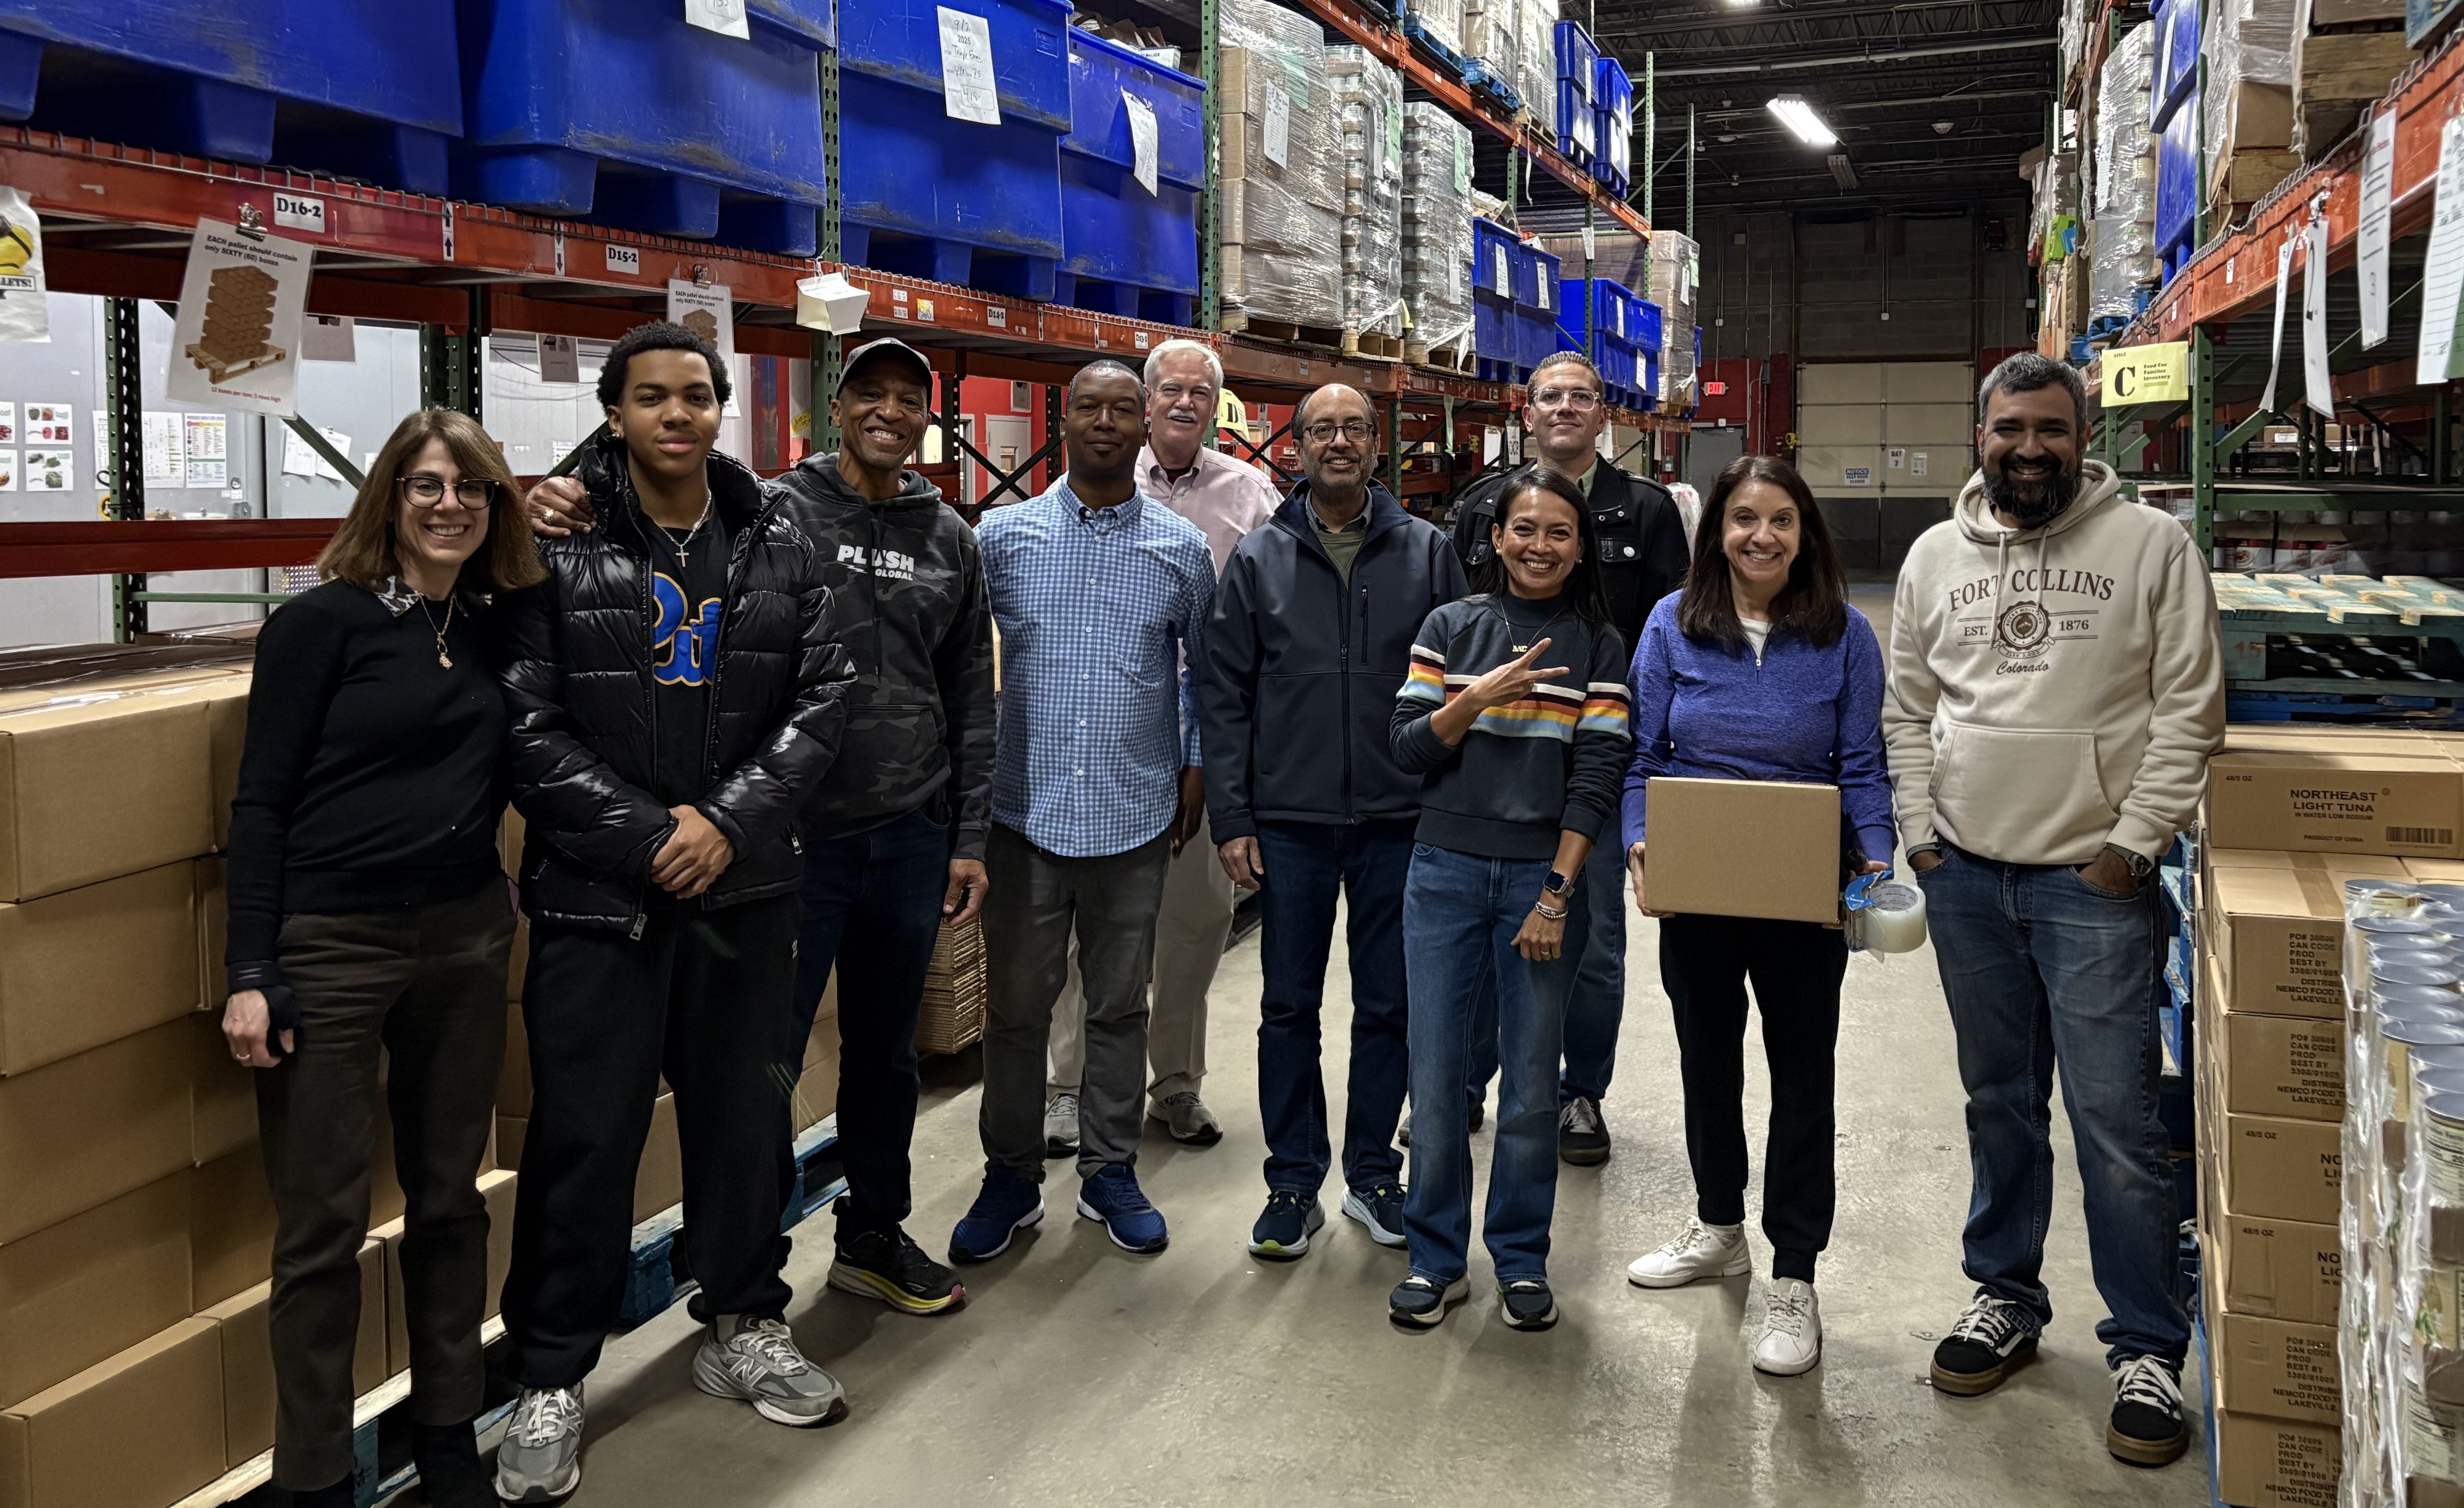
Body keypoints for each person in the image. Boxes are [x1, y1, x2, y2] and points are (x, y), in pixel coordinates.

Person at [527, 336, 994, 1318]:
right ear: (839, 405)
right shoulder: (774, 511)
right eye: (871, 392)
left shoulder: (949, 535)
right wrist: (557, 492)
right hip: (788, 839)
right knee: (762, 1066)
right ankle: (750, 1262)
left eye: (910, 399)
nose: (890, 411)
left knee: (885, 1052)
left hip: (908, 830)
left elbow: (969, 691)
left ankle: (872, 1232)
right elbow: (647, 479)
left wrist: (967, 834)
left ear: (927, 420)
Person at [492, 322, 855, 1502]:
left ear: (720, 408)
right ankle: (552, 1371)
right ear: (614, 413)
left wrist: (727, 824)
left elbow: (825, 696)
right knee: (584, 1136)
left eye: (696, 395)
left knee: (745, 1119)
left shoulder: (779, 535)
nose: (676, 414)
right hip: (600, 895)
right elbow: (525, 722)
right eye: (651, 397)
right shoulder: (553, 540)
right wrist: (649, 836)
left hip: (742, 889)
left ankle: (744, 1320)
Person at [1887, 353, 2222, 1467]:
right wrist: (1922, 836)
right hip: (1966, 879)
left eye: (2050, 429)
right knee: (1998, 1103)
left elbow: (2189, 706)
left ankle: (2146, 1344)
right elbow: (1906, 707)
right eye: (2009, 428)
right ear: (1978, 434)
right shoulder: (1933, 556)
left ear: (2084, 437)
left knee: (2116, 1125)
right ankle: (2005, 1294)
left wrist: (2132, 847)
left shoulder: (2152, 547)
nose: (2028, 448)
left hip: (2091, 883)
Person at [221, 409, 540, 1508]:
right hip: (332, 944)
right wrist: (251, 969)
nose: (450, 504)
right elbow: (260, 803)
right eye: (427, 484)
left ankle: (448, 1435)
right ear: (389, 498)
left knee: (451, 1197)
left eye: (472, 487)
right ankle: (314, 1476)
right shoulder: (321, 624)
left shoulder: (498, 626)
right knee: (323, 1223)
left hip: (465, 935)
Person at [1618, 455, 1893, 1379]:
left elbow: (1861, 764)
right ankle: (1718, 1227)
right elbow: (1641, 757)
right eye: (1743, 518)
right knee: (1706, 1060)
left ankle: (1795, 1273)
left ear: (1804, 534)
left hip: (1800, 885)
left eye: (1780, 519)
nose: (1761, 536)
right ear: (1718, 533)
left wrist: (1874, 862)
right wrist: (1640, 844)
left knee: (1802, 1074)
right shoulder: (1672, 622)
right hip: (1699, 879)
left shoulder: (1844, 634)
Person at [950, 359, 1215, 1263]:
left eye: (1122, 409)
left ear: (1144, 426)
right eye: (1089, 408)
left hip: (1134, 813)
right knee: (1017, 1011)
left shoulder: (1180, 549)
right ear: (1063, 423)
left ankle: (1109, 1171)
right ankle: (1010, 1177)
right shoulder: (1002, 538)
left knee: (1118, 1007)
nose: (1105, 422)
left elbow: (1204, 675)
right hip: (1022, 814)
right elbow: (961, 665)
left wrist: (1193, 765)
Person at [1202, 383, 1468, 1259]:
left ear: (1375, 444)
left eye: (1355, 427)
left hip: (1401, 817)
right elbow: (1224, 695)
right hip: (1289, 820)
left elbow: (1462, 689)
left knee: (1389, 1004)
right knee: (1288, 1005)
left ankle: (1372, 1174)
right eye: (1322, 429)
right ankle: (1291, 1181)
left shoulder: (1427, 551)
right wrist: (1233, 816)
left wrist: (1447, 803)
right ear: (1298, 446)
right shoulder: (1259, 557)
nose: (1339, 442)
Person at [1385, 468, 1631, 1330]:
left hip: (1539, 880)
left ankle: (1521, 1261)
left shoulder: (1597, 645)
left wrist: (1556, 893)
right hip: (1442, 875)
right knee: (1436, 1078)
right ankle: (1434, 1258)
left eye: (1558, 532)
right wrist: (1476, 698)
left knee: (1530, 1086)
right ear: (1495, 538)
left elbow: (1596, 779)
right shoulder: (1449, 627)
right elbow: (1406, 751)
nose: (1538, 546)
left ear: (1580, 547)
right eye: (1523, 529)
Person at [1449, 350, 1688, 1165]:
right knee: (1486, 935)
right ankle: (1465, 1084)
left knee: (1591, 944)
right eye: (1549, 396)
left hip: (1599, 761)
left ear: (1602, 414)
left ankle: (1579, 1092)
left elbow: (1670, 641)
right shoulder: (1481, 505)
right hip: (1494, 763)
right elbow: (1452, 630)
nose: (1563, 408)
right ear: (1527, 412)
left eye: (1580, 397)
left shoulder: (1646, 511)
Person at [1045, 337, 1279, 1155]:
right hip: (1107, 737)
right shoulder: (1093, 479)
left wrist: (1224, 750)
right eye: (1170, 389)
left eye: (1200, 392)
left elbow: (1269, 621)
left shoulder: (1250, 495)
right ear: (1147, 402)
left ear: (1217, 406)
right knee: (1087, 928)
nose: (1184, 402)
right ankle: (1066, 1086)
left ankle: (1175, 1081)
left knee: (1193, 920)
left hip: (1209, 738)